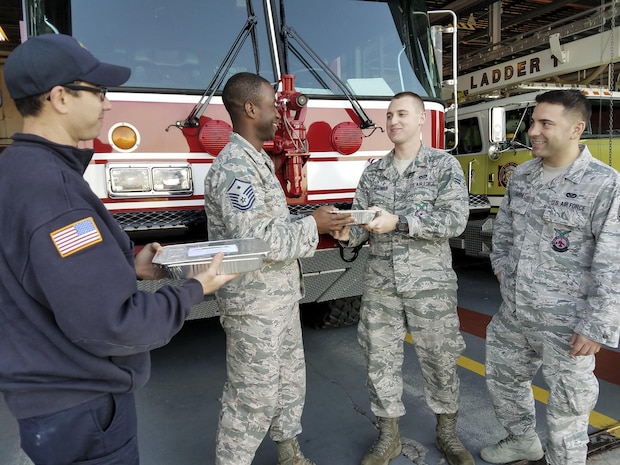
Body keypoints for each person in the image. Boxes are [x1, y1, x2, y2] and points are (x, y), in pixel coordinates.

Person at [0, 33, 238, 465]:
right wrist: (195, 288)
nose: (108, 104)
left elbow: (40, 274)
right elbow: (114, 326)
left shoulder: (14, 171)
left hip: (46, 403)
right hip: (81, 409)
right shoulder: (58, 195)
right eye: (98, 91)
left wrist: (126, 266)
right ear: (60, 97)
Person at [203, 72, 354, 465]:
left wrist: (321, 225)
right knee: (252, 397)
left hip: (279, 298)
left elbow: (271, 227)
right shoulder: (235, 167)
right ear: (250, 109)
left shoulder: (257, 162)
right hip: (253, 305)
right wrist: (313, 225)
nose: (279, 115)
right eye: (272, 106)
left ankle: (289, 455)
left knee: (289, 383)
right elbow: (257, 239)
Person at [331, 91, 473, 465]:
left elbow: (456, 221)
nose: (394, 121)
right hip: (381, 284)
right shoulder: (373, 171)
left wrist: (402, 222)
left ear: (422, 119)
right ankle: (388, 437)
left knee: (440, 359)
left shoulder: (444, 167)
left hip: (431, 286)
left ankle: (447, 433)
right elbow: (362, 224)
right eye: (390, 115)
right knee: (380, 360)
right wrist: (349, 232)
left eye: (402, 114)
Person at [480, 89, 620, 465]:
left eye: (546, 123)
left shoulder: (604, 185)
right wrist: (501, 267)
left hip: (567, 323)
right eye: (532, 122)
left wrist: (597, 324)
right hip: (515, 313)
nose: (533, 131)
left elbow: (614, 261)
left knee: (567, 407)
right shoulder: (523, 175)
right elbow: (503, 228)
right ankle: (521, 441)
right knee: (504, 381)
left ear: (577, 128)